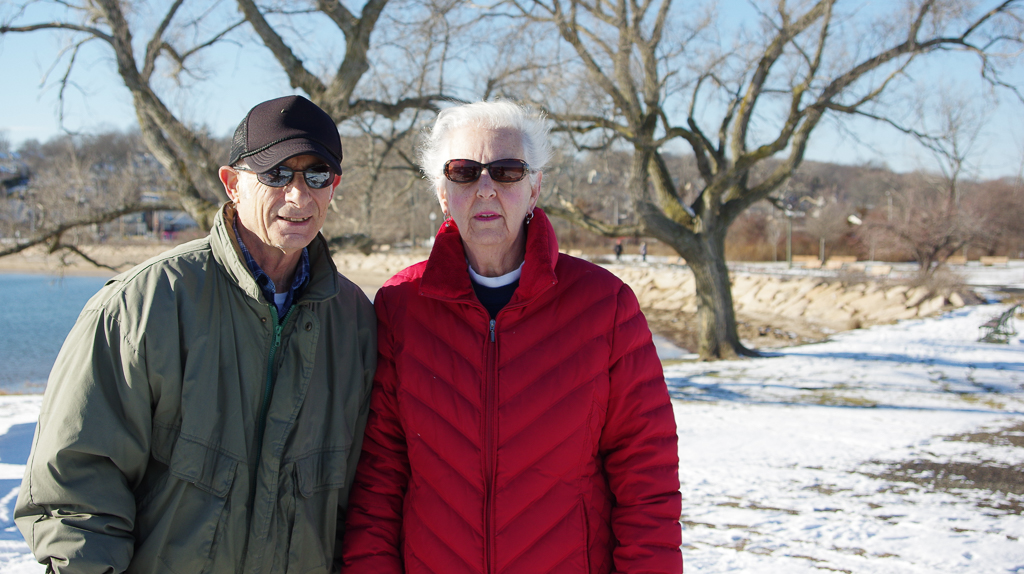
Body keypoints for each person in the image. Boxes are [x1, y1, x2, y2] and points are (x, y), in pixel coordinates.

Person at [15, 95, 377, 573]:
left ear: (334, 187)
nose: (298, 195)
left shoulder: (354, 322)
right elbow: (76, 497)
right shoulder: (141, 306)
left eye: (316, 176)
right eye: (276, 174)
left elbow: (361, 502)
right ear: (232, 184)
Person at [341, 101, 682, 573]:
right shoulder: (402, 305)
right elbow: (379, 478)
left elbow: (647, 480)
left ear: (534, 187)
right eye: (463, 172)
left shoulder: (606, 306)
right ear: (443, 192)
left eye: (506, 171)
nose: (485, 188)